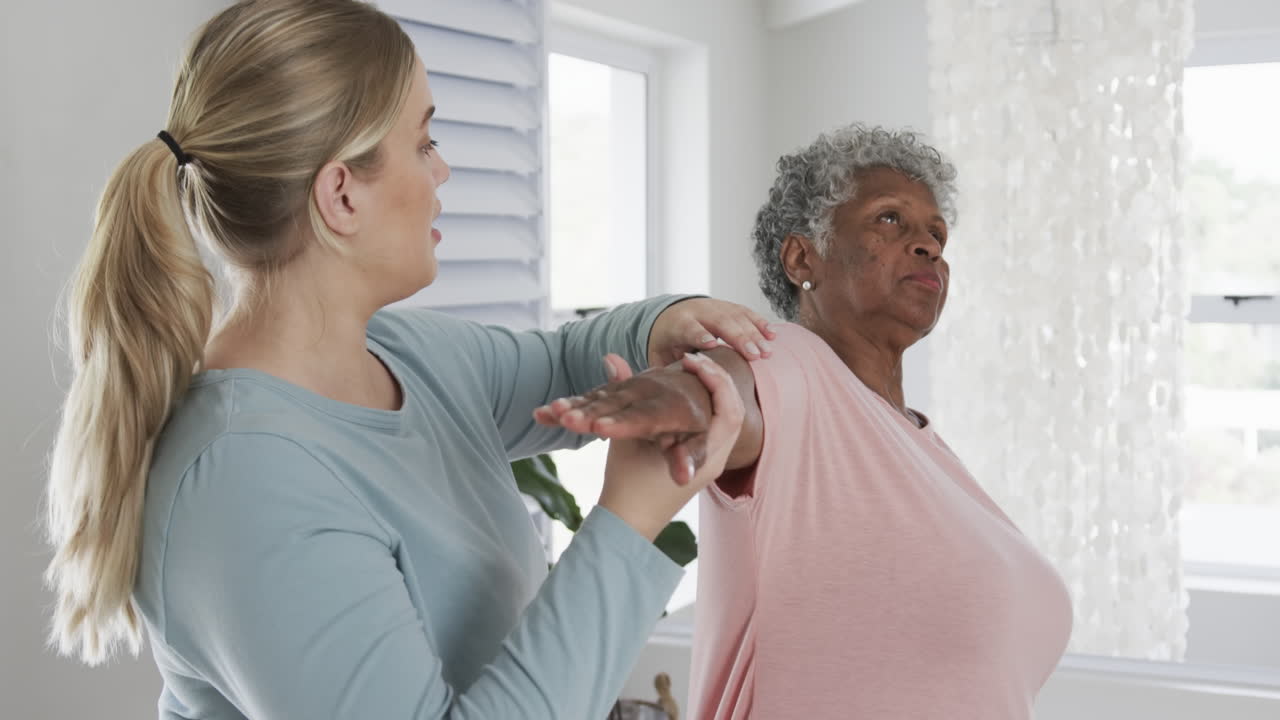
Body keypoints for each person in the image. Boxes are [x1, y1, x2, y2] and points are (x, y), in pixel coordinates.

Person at [43, 1, 771, 717]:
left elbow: (559, 365)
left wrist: (660, 327)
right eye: (423, 143)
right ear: (341, 195)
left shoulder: (403, 354)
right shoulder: (245, 477)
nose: (444, 171)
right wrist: (628, 518)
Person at [537, 124, 1073, 719]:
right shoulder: (793, 362)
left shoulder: (923, 445)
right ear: (801, 257)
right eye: (890, 220)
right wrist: (681, 398)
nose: (928, 246)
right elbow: (731, 389)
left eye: (937, 234)